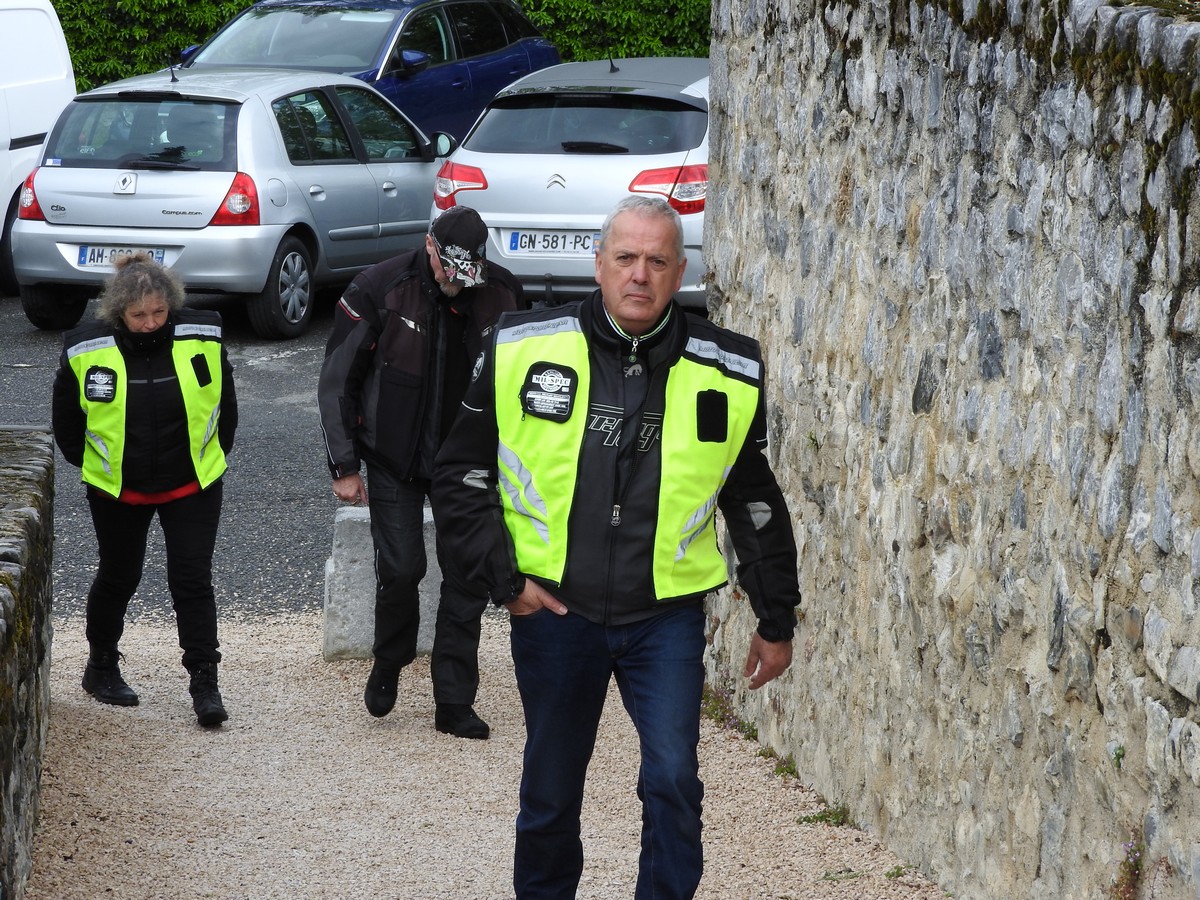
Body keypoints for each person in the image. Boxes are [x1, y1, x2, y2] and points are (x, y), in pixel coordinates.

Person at [432, 195, 801, 897]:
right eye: (625, 258)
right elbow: (460, 474)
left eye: (657, 261)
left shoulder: (731, 368)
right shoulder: (519, 346)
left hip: (662, 617)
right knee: (549, 798)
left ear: (679, 271)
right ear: (598, 266)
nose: (640, 274)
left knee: (672, 781)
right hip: (554, 614)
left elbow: (753, 501)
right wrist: (506, 582)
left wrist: (775, 617)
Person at [318, 206, 525, 738]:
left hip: (469, 462)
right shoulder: (378, 287)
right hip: (393, 457)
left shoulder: (501, 293)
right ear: (430, 248)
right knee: (403, 568)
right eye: (446, 271)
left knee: (466, 578)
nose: (454, 284)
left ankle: (454, 703)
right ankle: (390, 661)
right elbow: (338, 377)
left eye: (466, 276)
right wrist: (344, 464)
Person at [52, 252, 238, 728]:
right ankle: (101, 668)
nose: (150, 323)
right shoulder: (84, 349)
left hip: (191, 485)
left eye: (159, 313)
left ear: (171, 306)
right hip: (118, 490)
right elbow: (68, 429)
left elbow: (226, 411)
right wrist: (105, 468)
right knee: (118, 577)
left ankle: (204, 683)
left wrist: (203, 462)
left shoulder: (205, 336)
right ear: (118, 313)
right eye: (138, 316)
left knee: (192, 583)